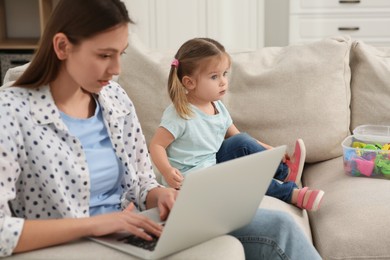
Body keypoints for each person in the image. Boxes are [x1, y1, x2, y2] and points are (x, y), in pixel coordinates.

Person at [0, 0, 321, 259]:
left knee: (278, 226)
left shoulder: (114, 99)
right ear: (62, 46)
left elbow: (140, 181)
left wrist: (161, 196)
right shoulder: (11, 112)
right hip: (69, 245)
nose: (116, 69)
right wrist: (100, 224)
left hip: (132, 227)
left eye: (120, 54)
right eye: (104, 55)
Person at [149, 37, 325, 211]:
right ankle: (292, 194)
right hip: (192, 180)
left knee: (241, 141)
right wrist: (167, 171)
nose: (223, 81)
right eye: (214, 77)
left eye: (224, 74)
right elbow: (157, 145)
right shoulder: (180, 114)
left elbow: (238, 138)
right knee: (244, 178)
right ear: (190, 82)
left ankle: (285, 173)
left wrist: (270, 151)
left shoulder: (216, 105)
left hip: (213, 162)